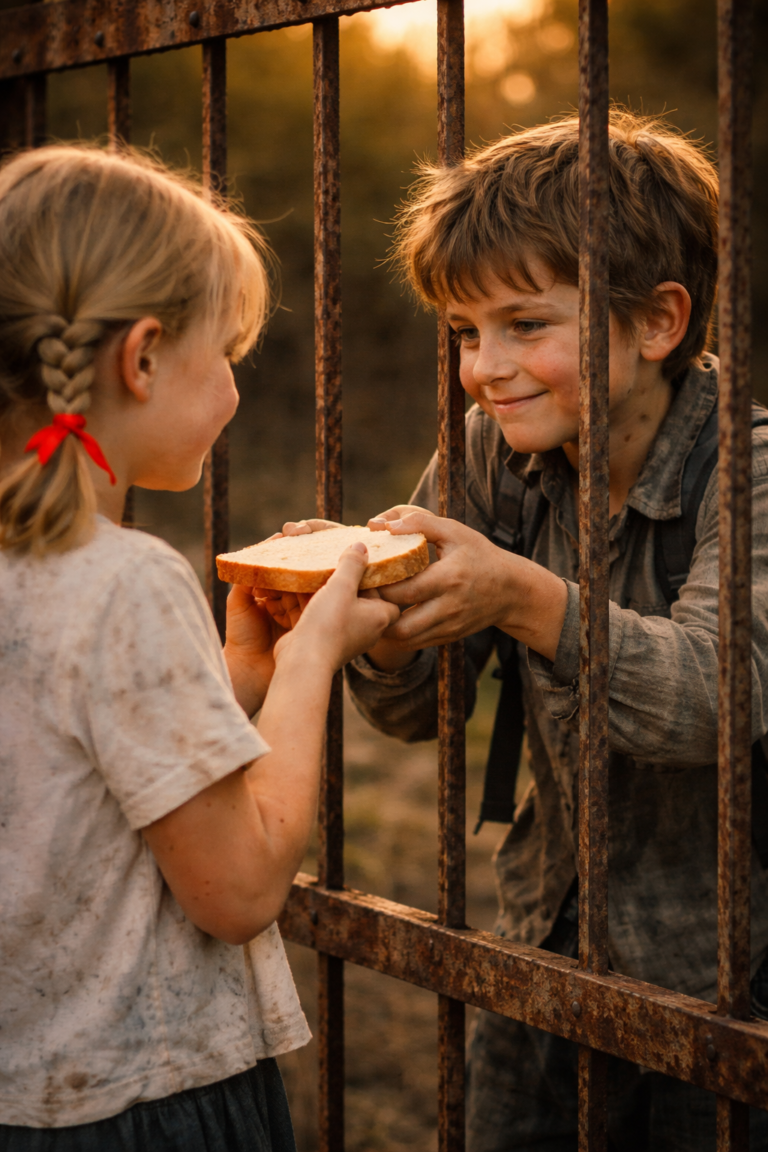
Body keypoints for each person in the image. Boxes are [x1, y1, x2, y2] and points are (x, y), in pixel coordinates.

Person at [279, 111, 768, 1149]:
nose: (483, 370)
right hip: (542, 937)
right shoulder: (493, 450)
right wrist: (386, 618)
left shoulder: (751, 469)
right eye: (463, 333)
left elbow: (714, 701)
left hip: (737, 974)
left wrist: (520, 597)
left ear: (660, 320)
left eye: (525, 326)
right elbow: (418, 717)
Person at [0, 144, 399, 1151]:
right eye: (223, 352)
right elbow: (240, 886)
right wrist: (315, 657)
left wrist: (242, 678)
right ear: (140, 358)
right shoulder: (125, 579)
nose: (230, 388)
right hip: (143, 1112)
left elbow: (72, 768)